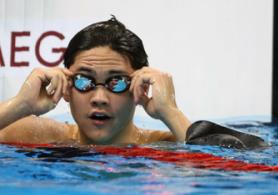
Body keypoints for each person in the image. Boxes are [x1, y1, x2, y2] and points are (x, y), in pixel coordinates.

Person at [0, 16, 191, 145]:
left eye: (117, 82)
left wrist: (171, 113)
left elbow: (220, 169)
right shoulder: (37, 136)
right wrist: (20, 105)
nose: (99, 98)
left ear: (140, 89)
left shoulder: (163, 146)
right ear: (66, 89)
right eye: (84, 80)